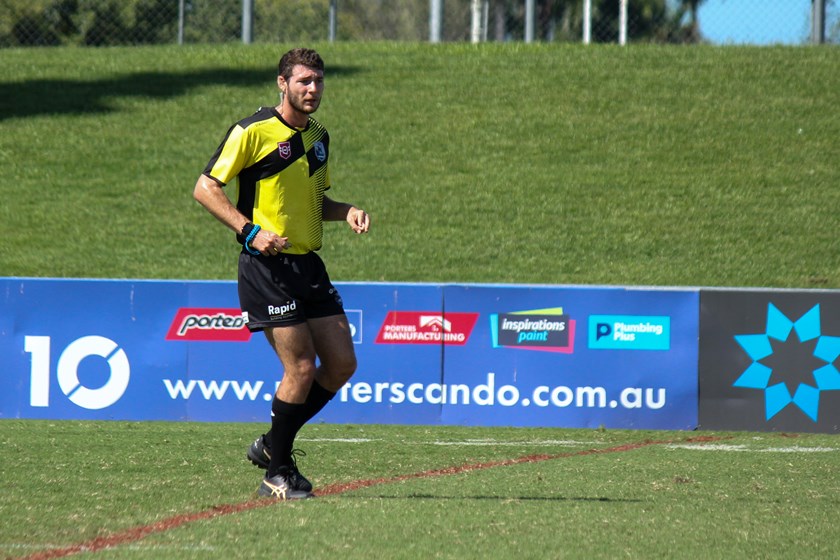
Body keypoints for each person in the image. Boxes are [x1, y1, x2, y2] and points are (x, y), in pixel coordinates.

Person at [193, 48, 370, 500]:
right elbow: (205, 187)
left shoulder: (319, 136)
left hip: (308, 264)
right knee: (301, 366)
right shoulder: (252, 131)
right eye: (304, 81)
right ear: (282, 83)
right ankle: (277, 472)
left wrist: (346, 210)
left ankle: (273, 443)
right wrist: (250, 231)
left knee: (342, 364)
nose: (312, 88)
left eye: (318, 81)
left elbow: (314, 202)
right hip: (266, 267)